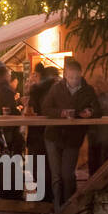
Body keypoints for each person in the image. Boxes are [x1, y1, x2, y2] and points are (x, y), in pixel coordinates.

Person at [43, 58, 102, 210]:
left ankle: (70, 207)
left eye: (76, 77)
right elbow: (45, 108)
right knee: (56, 176)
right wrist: (61, 113)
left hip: (73, 137)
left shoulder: (87, 90)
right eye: (70, 77)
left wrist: (90, 112)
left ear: (81, 75)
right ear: (65, 76)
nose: (74, 81)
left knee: (67, 175)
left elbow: (99, 110)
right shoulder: (57, 88)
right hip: (53, 135)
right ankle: (57, 208)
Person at [25, 64, 60, 202]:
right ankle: (50, 201)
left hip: (36, 134)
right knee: (50, 169)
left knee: (39, 168)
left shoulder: (36, 91)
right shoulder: (54, 91)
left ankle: (43, 200)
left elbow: (31, 111)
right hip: (48, 134)